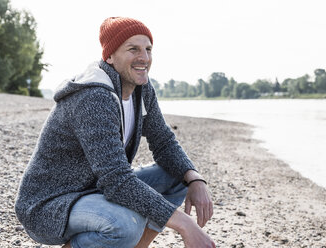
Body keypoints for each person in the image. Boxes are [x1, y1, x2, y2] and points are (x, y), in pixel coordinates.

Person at [15, 17, 215, 248]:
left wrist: (195, 179)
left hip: (94, 190)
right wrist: (184, 225)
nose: (144, 58)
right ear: (109, 56)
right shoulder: (93, 97)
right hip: (50, 204)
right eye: (133, 49)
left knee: (178, 174)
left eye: (148, 49)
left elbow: (164, 142)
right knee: (124, 225)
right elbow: (116, 179)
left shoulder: (142, 89)